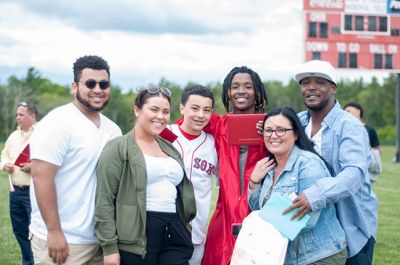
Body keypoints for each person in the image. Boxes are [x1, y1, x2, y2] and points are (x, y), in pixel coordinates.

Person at [29, 55, 122, 265]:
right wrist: (54, 232)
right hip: (64, 240)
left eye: (104, 84)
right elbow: (41, 178)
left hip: (100, 240)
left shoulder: (113, 130)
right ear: (74, 86)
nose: (98, 89)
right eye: (90, 83)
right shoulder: (58, 123)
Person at [286, 60, 378, 265]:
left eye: (319, 82)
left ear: (333, 88)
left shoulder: (350, 126)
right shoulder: (297, 122)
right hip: (317, 232)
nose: (311, 87)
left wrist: (314, 195)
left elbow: (353, 174)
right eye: (305, 82)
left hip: (352, 225)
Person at [95, 86, 196, 265]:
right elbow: (105, 199)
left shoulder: (169, 147)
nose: (161, 116)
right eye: (154, 110)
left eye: (165, 112)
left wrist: (185, 226)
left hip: (174, 231)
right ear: (137, 110)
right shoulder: (118, 147)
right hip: (138, 235)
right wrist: (109, 247)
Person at [248, 107, 347, 265]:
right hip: (285, 256)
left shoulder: (309, 166)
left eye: (281, 130)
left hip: (318, 255)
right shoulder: (269, 166)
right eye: (268, 130)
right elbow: (258, 209)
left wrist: (256, 228)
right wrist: (253, 182)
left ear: (295, 134)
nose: (273, 136)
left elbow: (306, 221)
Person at [200, 66, 268, 265]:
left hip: (258, 214)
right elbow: (184, 125)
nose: (241, 91)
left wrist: (268, 132)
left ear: (257, 92)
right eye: (235, 86)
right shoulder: (217, 124)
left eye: (248, 86)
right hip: (224, 214)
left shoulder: (270, 124)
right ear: (227, 92)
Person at [166, 85, 218, 265]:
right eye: (194, 108)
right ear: (182, 108)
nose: (200, 115)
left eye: (206, 110)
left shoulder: (213, 143)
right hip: (162, 226)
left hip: (196, 231)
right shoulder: (164, 134)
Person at [0, 102, 37, 265]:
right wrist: (4, 165)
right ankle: (28, 261)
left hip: (34, 192)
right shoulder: (13, 136)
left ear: (32, 116)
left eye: (21, 115)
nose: (17, 118)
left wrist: (33, 167)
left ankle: (39, 260)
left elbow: (51, 161)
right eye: (17, 114)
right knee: (19, 230)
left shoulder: (42, 135)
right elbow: (4, 155)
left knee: (35, 231)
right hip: (15, 192)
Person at [344, 102, 382, 183]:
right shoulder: (345, 129)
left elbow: (378, 149)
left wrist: (370, 158)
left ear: (358, 111)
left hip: (367, 169)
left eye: (348, 111)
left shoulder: (370, 129)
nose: (345, 113)